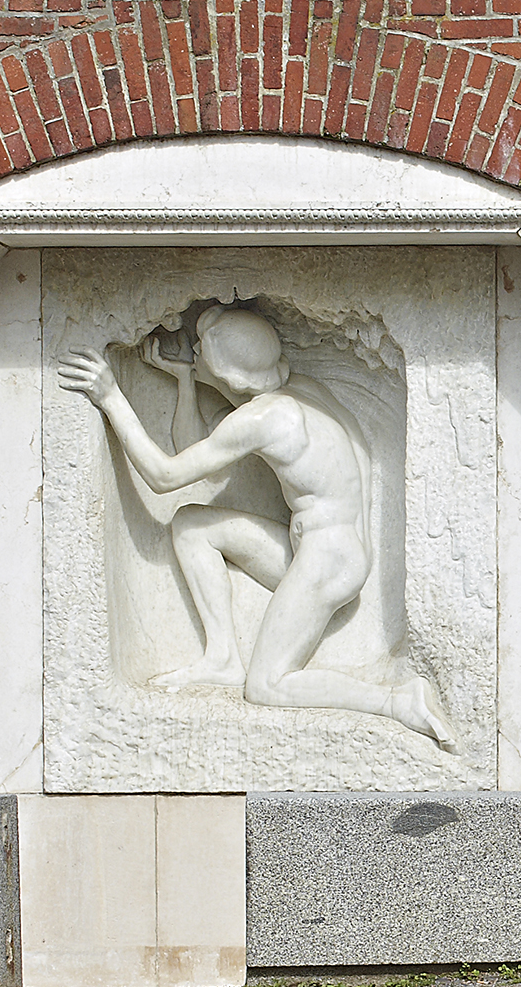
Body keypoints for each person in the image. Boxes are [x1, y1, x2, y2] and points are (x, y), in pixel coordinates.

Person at [57, 307, 451, 746]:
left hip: (330, 562)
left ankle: (399, 701)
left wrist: (110, 396)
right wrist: (186, 379)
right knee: (192, 526)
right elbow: (200, 449)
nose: (195, 351)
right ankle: (222, 656)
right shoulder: (300, 391)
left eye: (202, 351)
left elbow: (166, 475)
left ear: (232, 377)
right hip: (323, 550)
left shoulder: (263, 420)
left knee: (268, 684)